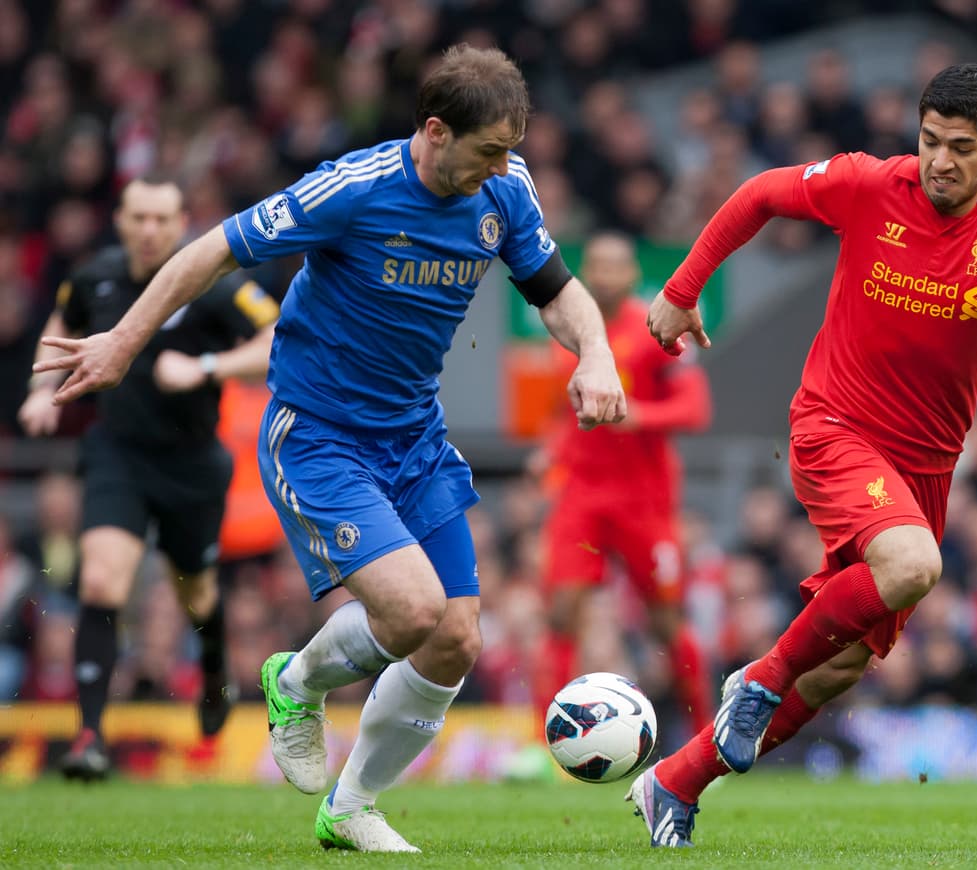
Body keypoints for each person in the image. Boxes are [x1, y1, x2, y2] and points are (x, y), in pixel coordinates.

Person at [36, 44, 626, 852]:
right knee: (414, 610)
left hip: (414, 434)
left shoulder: (506, 188)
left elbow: (557, 291)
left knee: (456, 640)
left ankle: (350, 806)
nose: (500, 168)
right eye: (487, 150)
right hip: (318, 435)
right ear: (434, 131)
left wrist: (594, 353)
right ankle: (296, 680)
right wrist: (127, 344)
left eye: (508, 151)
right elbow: (213, 248)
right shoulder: (354, 189)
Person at [630, 63, 977, 847]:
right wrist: (680, 288)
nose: (940, 161)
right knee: (912, 566)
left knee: (838, 667)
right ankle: (757, 683)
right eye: (930, 141)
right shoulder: (869, 185)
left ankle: (674, 781)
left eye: (962, 148)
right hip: (835, 428)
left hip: (925, 469)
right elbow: (757, 196)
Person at [18, 175, 279, 780]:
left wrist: (206, 366)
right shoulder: (95, 276)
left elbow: (277, 341)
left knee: (197, 594)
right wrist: (39, 391)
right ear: (121, 221)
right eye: (139, 218)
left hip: (191, 463)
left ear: (181, 220)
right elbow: (60, 326)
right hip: (119, 453)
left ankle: (214, 672)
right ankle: (89, 736)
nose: (150, 230)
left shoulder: (213, 283)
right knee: (103, 582)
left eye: (163, 220)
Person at [535, 231, 713, 740]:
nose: (606, 276)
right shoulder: (571, 335)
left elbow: (696, 408)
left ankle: (705, 739)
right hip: (582, 496)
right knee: (560, 612)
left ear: (633, 275)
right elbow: (565, 414)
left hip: (645, 501)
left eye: (616, 267)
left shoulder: (657, 330)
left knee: (665, 623)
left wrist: (641, 415)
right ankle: (539, 750)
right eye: (597, 266)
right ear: (586, 272)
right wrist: (550, 455)